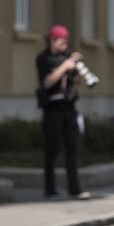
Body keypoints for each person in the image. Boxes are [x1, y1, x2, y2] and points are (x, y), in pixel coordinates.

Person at [35, 25, 90, 200]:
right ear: (52, 41)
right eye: (61, 42)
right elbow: (47, 83)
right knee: (52, 149)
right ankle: (49, 189)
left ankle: (75, 189)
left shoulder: (67, 58)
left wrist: (80, 77)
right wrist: (65, 66)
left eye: (66, 42)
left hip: (69, 108)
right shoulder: (44, 59)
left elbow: (72, 79)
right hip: (53, 109)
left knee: (72, 147)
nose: (65, 45)